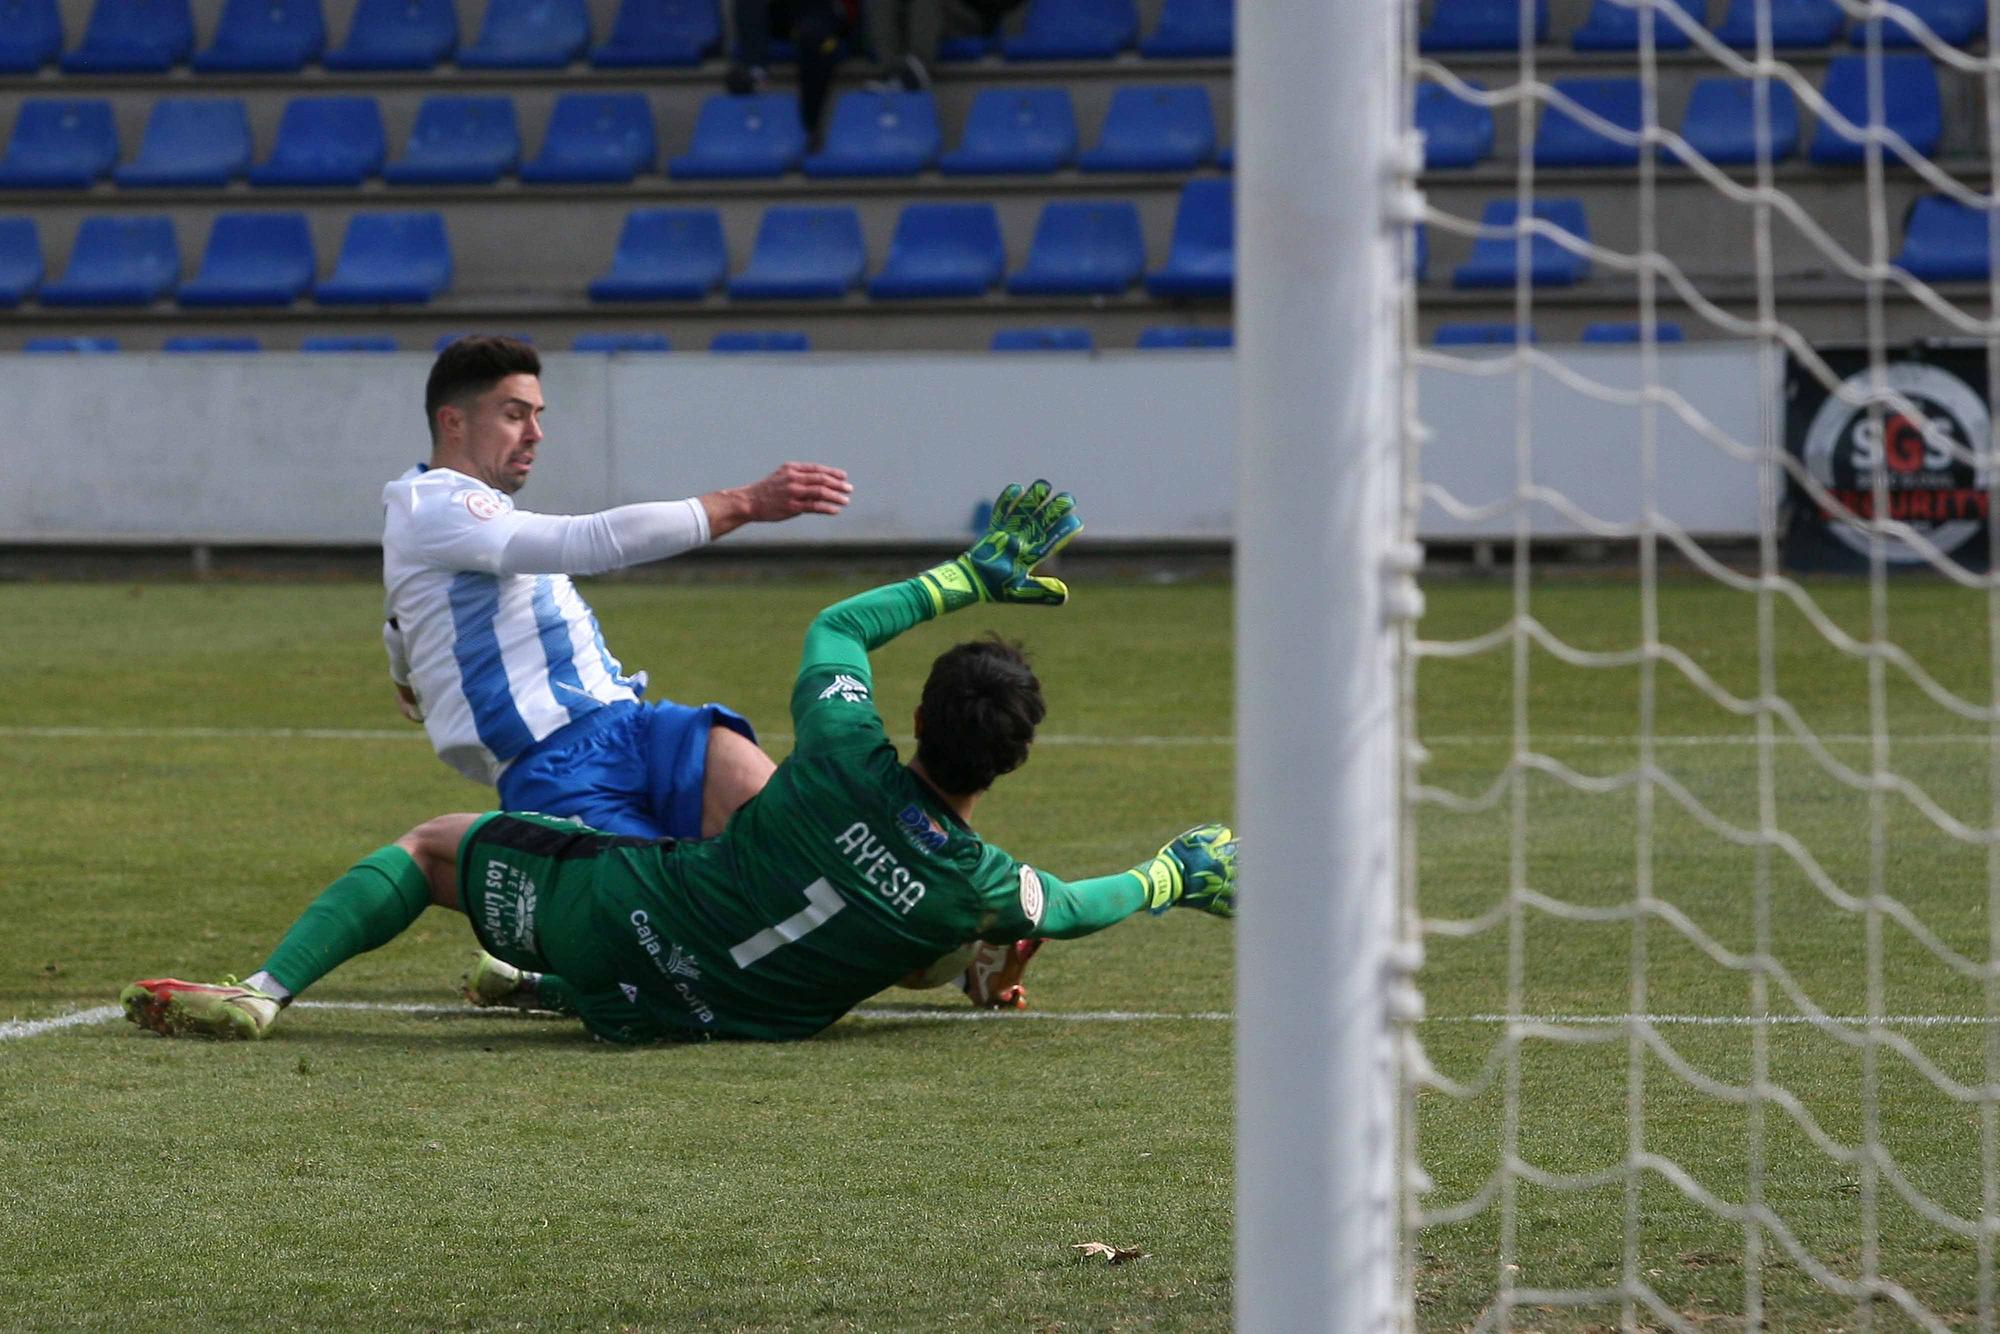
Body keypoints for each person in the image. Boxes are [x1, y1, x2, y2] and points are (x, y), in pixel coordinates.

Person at [120, 482, 1239, 1045]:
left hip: (618, 926)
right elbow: (1077, 900)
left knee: (430, 847)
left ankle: (265, 993)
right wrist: (1175, 873)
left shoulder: (842, 750)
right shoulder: (981, 878)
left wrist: (966, 574)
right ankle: (547, 988)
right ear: (1012, 760)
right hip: (678, 1016)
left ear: (918, 716)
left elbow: (840, 627)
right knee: (949, 931)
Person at [386, 335, 850, 845]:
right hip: (553, 765)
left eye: (538, 415)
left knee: (798, 841)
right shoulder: (435, 506)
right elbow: (591, 541)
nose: (536, 434)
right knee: (682, 909)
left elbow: (399, 619)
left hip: (632, 725)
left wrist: (404, 675)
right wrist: (747, 503)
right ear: (453, 422)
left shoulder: (454, 517)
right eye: (515, 415)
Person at [724, 0, 860, 149]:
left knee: (814, 38)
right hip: (781, 12)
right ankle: (755, 71)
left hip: (819, 11)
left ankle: (810, 128)